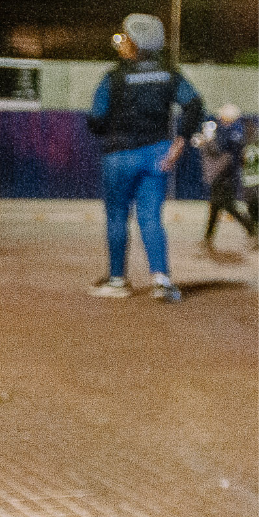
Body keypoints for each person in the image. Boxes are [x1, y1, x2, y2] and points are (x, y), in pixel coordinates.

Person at [86, 13, 203, 303]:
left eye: (126, 37)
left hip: (119, 155)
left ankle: (117, 280)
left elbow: (97, 120)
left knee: (117, 217)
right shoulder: (170, 74)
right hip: (157, 154)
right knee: (151, 217)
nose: (122, 42)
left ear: (135, 42)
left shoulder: (114, 77)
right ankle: (161, 280)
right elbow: (194, 104)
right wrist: (179, 142)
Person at [192, 104, 257, 252]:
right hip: (221, 174)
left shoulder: (234, 132)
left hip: (227, 175)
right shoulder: (223, 129)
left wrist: (208, 140)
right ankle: (208, 238)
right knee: (215, 206)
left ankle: (252, 231)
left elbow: (221, 150)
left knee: (228, 206)